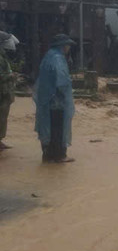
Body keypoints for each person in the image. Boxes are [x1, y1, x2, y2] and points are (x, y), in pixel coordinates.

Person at [34, 34, 76, 163]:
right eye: (68, 45)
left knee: (48, 127)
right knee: (58, 128)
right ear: (63, 46)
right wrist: (66, 95)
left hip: (46, 100)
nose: (69, 47)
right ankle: (59, 155)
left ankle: (48, 155)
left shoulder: (48, 56)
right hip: (56, 101)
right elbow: (62, 80)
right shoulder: (58, 58)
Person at [0, 31, 19, 151]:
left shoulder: (3, 57)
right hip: (2, 92)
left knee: (3, 117)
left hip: (5, 92)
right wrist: (11, 76)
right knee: (1, 117)